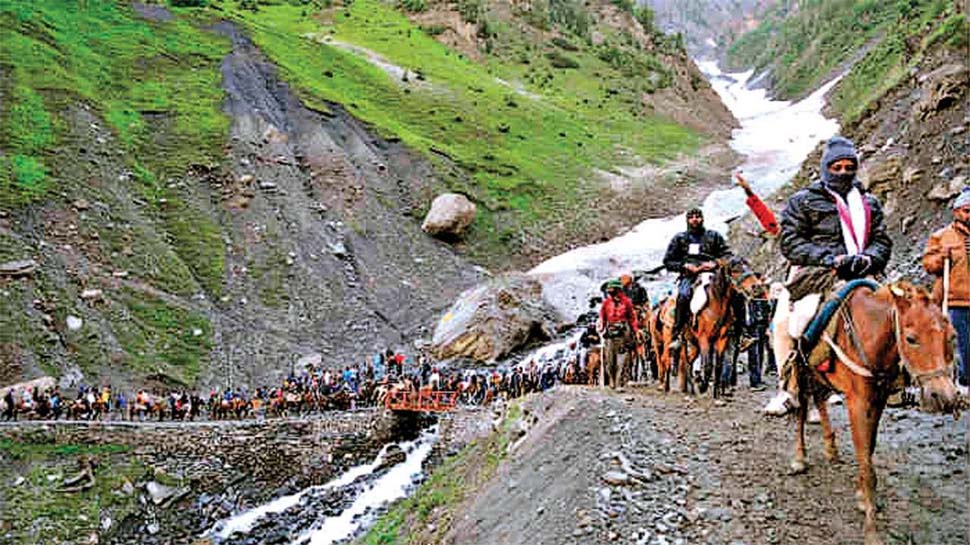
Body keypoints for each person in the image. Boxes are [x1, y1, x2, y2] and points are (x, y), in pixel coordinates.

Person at [763, 136, 892, 415]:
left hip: (863, 270)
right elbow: (791, 242)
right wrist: (829, 259)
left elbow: (882, 240)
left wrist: (869, 257)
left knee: (903, 314)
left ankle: (898, 382)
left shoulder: (869, 202)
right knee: (786, 323)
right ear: (825, 168)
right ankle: (789, 388)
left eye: (849, 167)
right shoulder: (803, 200)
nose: (844, 172)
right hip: (815, 272)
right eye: (837, 167)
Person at [663, 207, 733, 351]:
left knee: (735, 294)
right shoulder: (679, 238)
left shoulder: (714, 236)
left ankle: (741, 332)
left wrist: (715, 263)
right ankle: (678, 335)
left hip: (713, 275)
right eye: (691, 217)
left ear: (702, 218)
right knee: (683, 295)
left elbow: (727, 255)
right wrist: (684, 266)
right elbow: (668, 261)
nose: (695, 219)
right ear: (687, 220)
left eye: (697, 216)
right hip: (690, 276)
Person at [923, 187, 970, 392]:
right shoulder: (941, 236)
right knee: (964, 347)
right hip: (955, 301)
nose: (969, 215)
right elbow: (928, 265)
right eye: (966, 210)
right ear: (956, 211)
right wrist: (941, 258)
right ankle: (964, 383)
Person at [597, 279, 639, 388]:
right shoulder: (606, 303)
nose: (610, 293)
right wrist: (602, 327)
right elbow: (602, 316)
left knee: (623, 358)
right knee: (610, 359)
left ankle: (619, 381)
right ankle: (611, 379)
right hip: (610, 331)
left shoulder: (627, 302)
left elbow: (632, 317)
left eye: (612, 291)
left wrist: (635, 330)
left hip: (623, 331)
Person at [735, 171, 780, 236]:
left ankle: (740, 179)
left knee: (749, 192)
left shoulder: (771, 225)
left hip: (759, 209)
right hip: (759, 208)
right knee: (748, 192)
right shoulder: (771, 225)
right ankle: (740, 179)